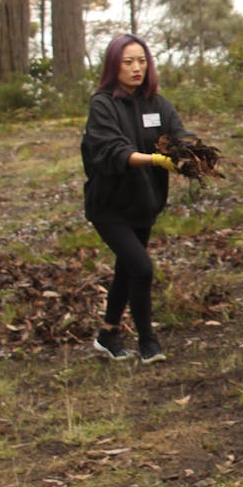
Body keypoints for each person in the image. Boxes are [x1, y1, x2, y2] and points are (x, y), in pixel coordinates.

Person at [80, 34, 189, 365]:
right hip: (109, 206)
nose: (136, 68)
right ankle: (148, 341)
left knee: (126, 270)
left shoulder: (157, 103)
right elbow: (113, 150)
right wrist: (154, 160)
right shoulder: (103, 104)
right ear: (114, 65)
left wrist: (191, 153)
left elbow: (179, 134)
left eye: (141, 60)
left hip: (144, 203)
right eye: (128, 62)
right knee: (141, 268)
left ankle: (107, 334)